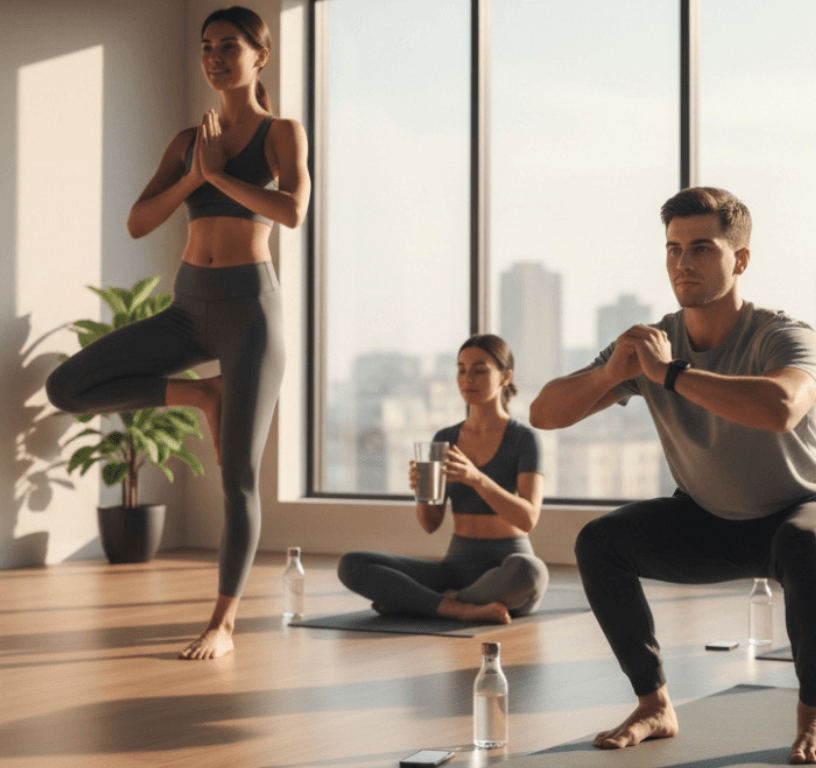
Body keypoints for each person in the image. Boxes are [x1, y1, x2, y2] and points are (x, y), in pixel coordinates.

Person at [530, 187, 816, 764]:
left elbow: (783, 407)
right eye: (673, 249)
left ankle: (815, 716)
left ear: (740, 259)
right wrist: (610, 372)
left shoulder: (784, 334)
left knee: (802, 543)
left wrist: (671, 375)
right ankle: (654, 704)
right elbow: (544, 414)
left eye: (702, 248)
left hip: (806, 508)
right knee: (600, 542)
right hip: (709, 518)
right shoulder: (652, 343)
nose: (683, 262)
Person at [46, 6, 310, 660]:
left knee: (237, 479)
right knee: (67, 388)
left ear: (260, 55)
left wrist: (218, 176)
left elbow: (293, 210)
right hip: (188, 309)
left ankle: (223, 622)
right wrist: (194, 173)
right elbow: (138, 222)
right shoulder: (188, 140)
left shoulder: (282, 132)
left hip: (251, 314)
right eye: (207, 47)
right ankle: (199, 394)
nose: (214, 58)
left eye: (229, 47)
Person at [339, 334, 548, 625]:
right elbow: (430, 524)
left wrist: (476, 479)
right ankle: (460, 607)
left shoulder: (524, 439)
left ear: (505, 377)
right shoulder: (445, 438)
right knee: (352, 564)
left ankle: (429, 603)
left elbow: (527, 518)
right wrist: (421, 492)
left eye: (479, 370)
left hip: (508, 566)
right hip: (456, 567)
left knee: (531, 572)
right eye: (461, 370)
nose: (467, 379)